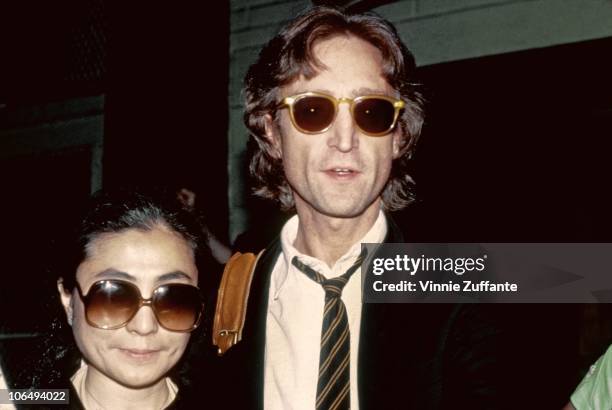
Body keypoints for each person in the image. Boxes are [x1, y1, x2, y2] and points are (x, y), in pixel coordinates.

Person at [216, 6, 511, 410]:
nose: (344, 139)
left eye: (371, 112)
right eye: (313, 110)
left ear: (398, 136)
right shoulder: (235, 287)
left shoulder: (460, 284)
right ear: (272, 131)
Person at [7, 189, 216, 409]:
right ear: (68, 298)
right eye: (114, 297)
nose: (144, 326)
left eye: (173, 300)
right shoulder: (20, 401)